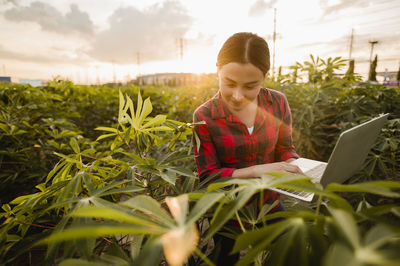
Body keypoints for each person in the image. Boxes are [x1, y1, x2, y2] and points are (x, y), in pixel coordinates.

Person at [192, 32, 302, 264]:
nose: (238, 96)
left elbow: (285, 148)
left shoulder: (278, 102)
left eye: (251, 86)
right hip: (228, 211)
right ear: (217, 72)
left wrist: (293, 165)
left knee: (290, 255)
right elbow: (209, 178)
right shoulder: (204, 116)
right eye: (229, 84)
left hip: (269, 202)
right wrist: (258, 171)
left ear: (264, 78)